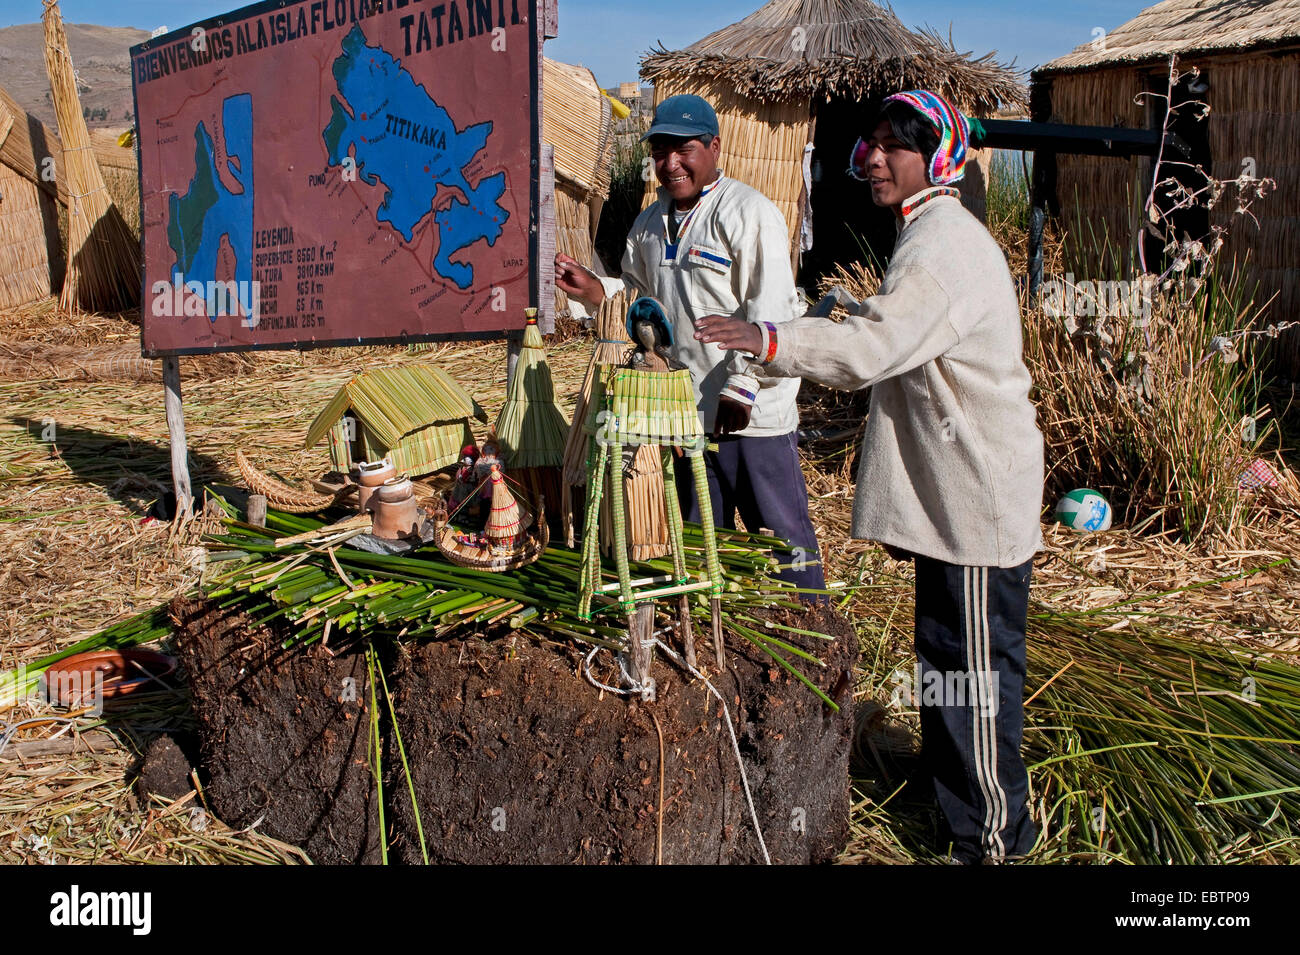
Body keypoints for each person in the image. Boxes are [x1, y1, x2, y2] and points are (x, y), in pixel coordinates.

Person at [694, 90, 1045, 864]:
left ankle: (993, 838)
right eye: (874, 143)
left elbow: (871, 354)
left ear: (938, 158)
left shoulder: (945, 244)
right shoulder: (925, 235)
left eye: (897, 145)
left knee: (974, 675)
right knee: (944, 655)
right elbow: (901, 330)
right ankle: (949, 785)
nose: (876, 157)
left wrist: (770, 335)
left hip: (978, 500)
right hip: (955, 496)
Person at [555, 94, 825, 593]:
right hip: (683, 412)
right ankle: (718, 637)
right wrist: (597, 292)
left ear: (714, 147)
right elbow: (641, 303)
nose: (670, 163)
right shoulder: (647, 226)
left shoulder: (749, 213)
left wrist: (743, 385)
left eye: (684, 149)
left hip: (751, 414)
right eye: (660, 151)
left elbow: (773, 312)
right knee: (703, 541)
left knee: (784, 538)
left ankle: (813, 619)